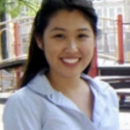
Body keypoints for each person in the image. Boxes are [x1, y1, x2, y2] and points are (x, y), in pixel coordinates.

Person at [3, 0, 119, 130]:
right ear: (40, 40)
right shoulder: (24, 104)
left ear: (94, 39)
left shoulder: (106, 94)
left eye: (81, 36)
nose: (72, 48)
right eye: (59, 36)